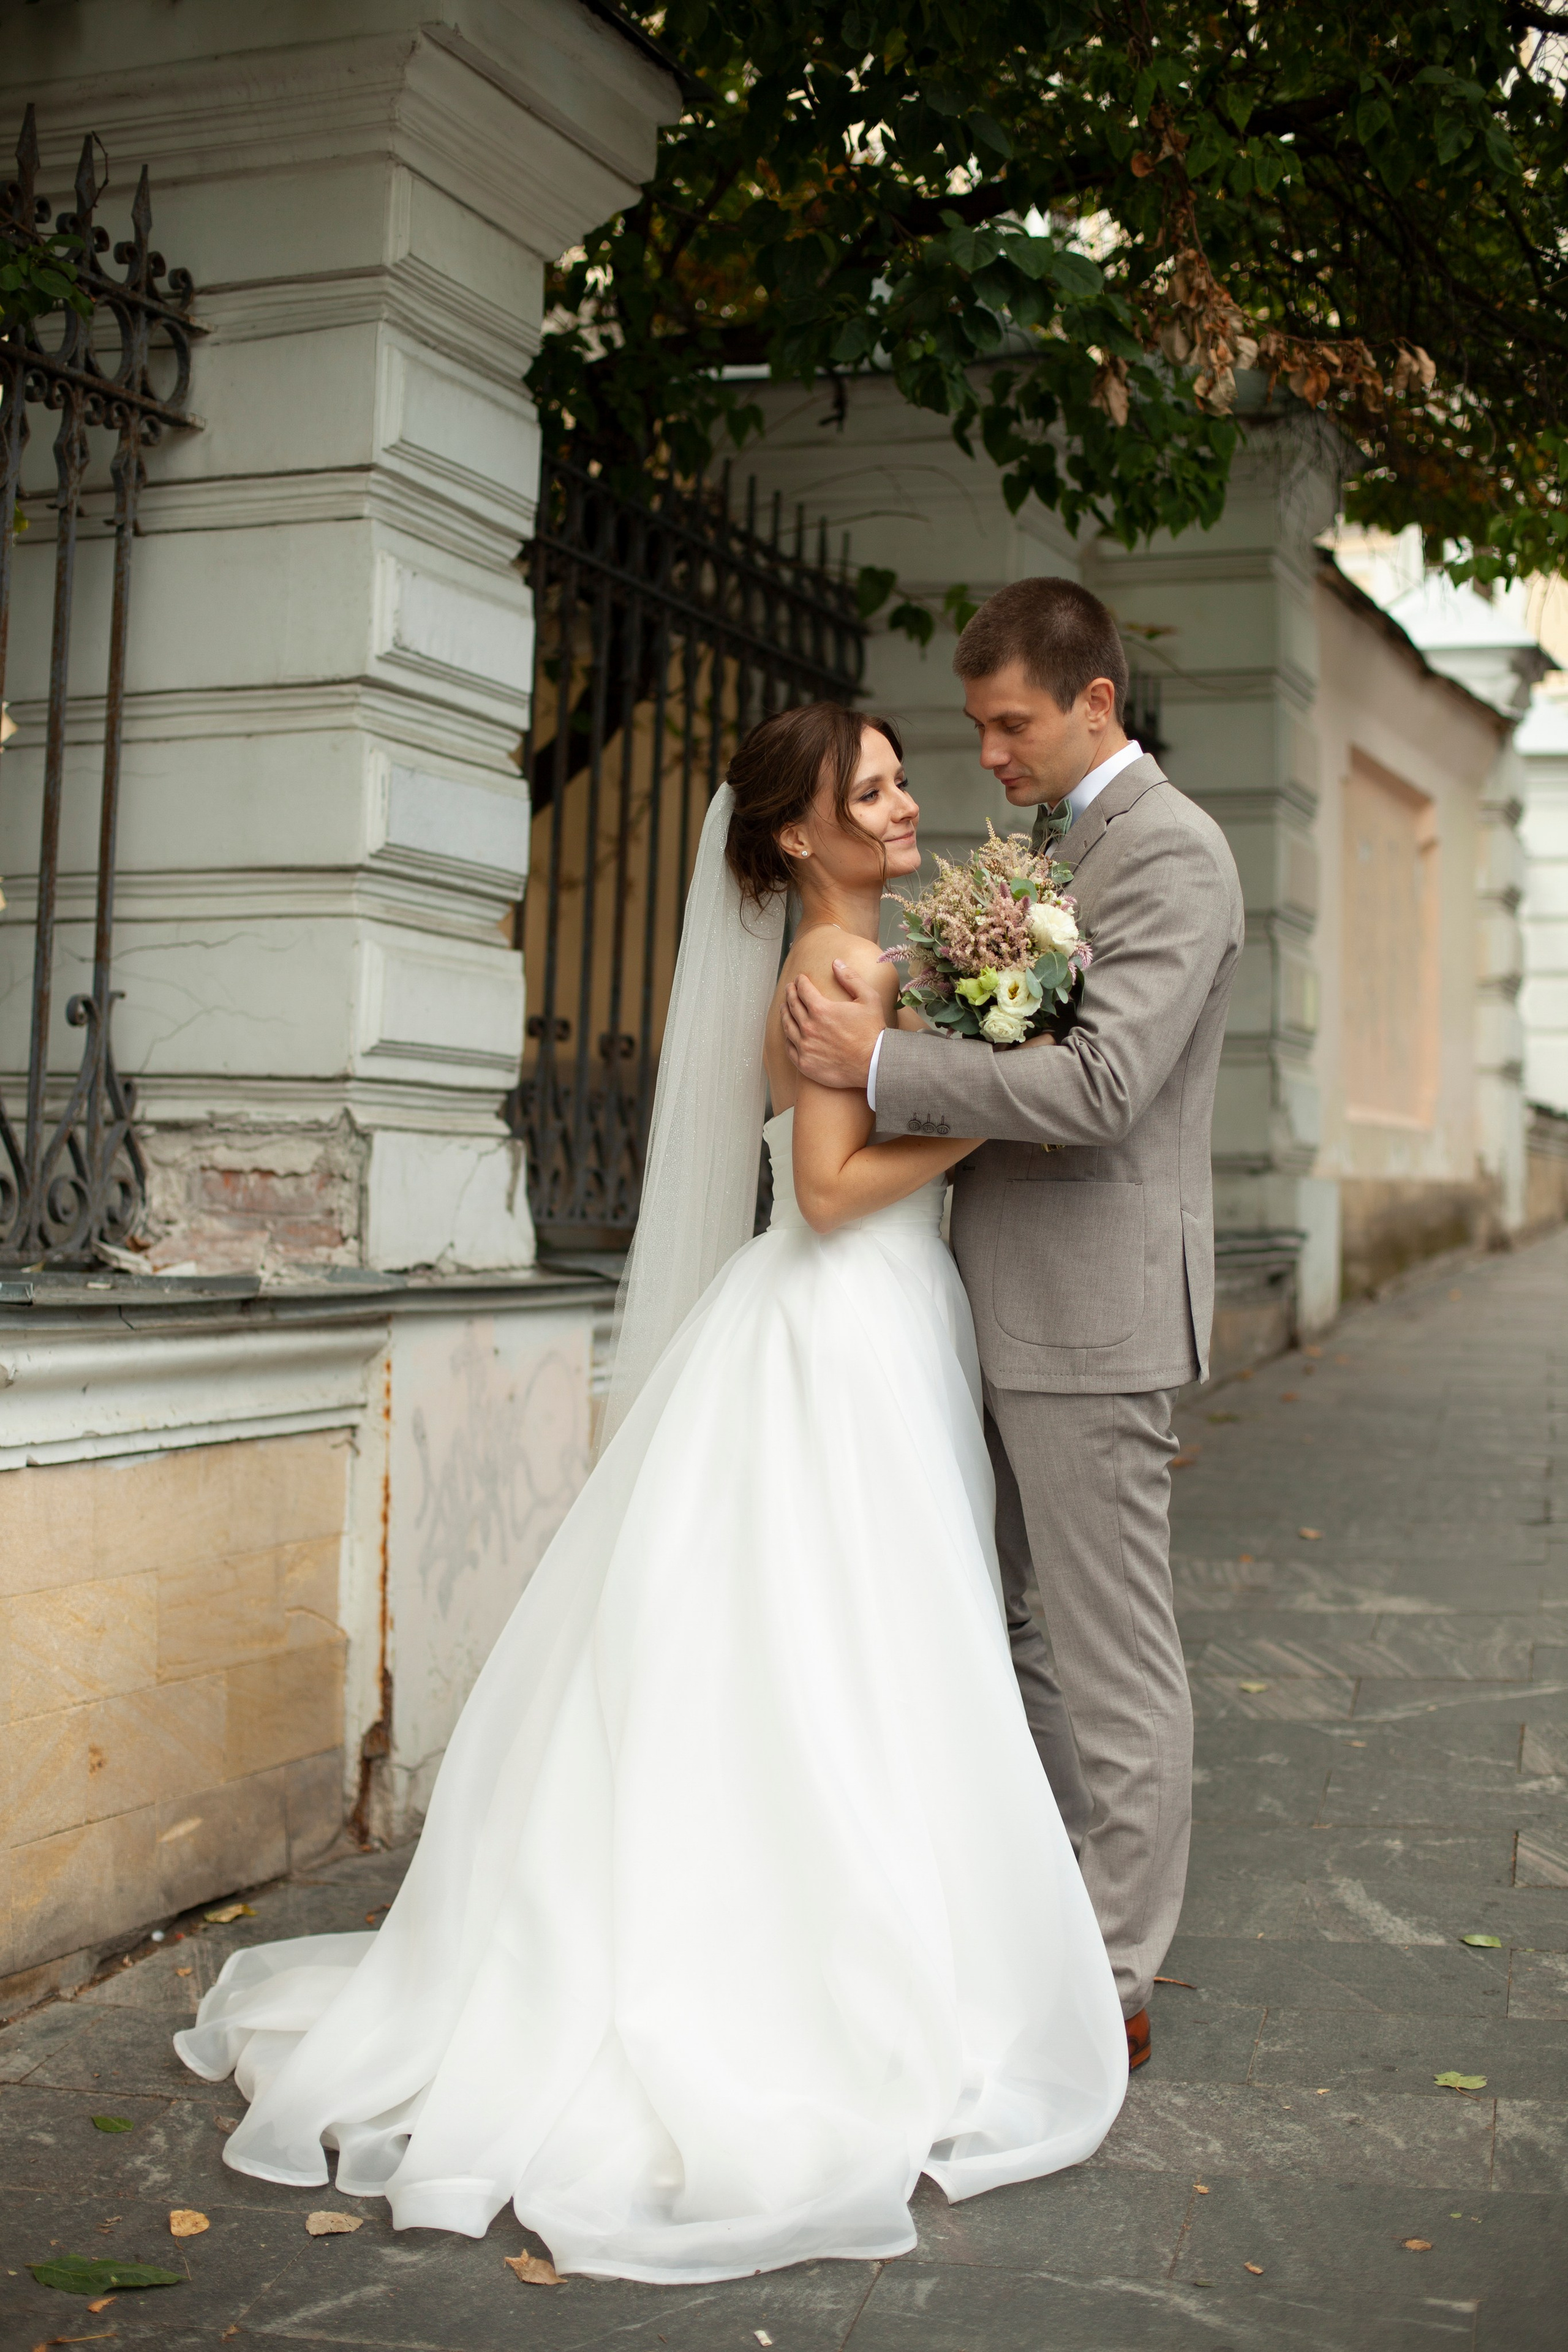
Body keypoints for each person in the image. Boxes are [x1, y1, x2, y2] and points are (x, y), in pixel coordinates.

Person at [173, 700, 1126, 2286]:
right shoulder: (836, 971)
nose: (905, 805)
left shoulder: (872, 962)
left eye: (901, 781)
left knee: (846, 1650)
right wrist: (981, 1107)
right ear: (794, 836)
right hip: (837, 1324)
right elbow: (826, 1192)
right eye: (871, 791)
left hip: (880, 1322)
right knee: (839, 1651)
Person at [783, 579, 1245, 2071]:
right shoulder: (1058, 845)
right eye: (977, 725)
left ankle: (1112, 1975)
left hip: (1091, 1316)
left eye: (1008, 723)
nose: (985, 753)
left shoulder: (1169, 852)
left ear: (1094, 703)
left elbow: (1101, 1088)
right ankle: (1041, 1908)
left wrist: (881, 1064)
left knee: (1111, 1655)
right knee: (1005, 1627)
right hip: (984, 1296)